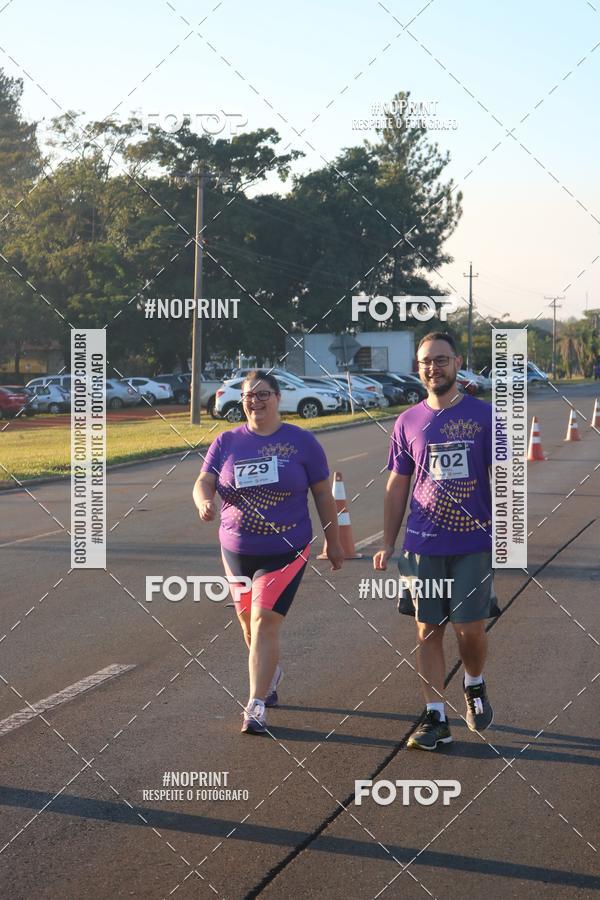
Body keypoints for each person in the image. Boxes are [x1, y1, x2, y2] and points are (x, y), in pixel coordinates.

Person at [194, 371, 345, 735]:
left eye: (263, 394)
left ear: (278, 398)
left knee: (264, 621)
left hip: (287, 548)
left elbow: (323, 494)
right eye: (248, 396)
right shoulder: (226, 441)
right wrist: (204, 500)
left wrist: (333, 540)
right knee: (248, 625)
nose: (255, 401)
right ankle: (270, 672)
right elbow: (205, 480)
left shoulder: (302, 442)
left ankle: (256, 705)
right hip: (236, 548)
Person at [373, 333, 499, 750]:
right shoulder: (407, 421)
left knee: (469, 630)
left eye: (441, 360)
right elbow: (397, 485)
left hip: (472, 543)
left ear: (457, 363)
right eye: (427, 361)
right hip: (422, 544)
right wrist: (388, 542)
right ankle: (435, 717)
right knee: (427, 630)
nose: (434, 368)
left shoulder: (485, 416)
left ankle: (474, 683)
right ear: (418, 367)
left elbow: (505, 478)